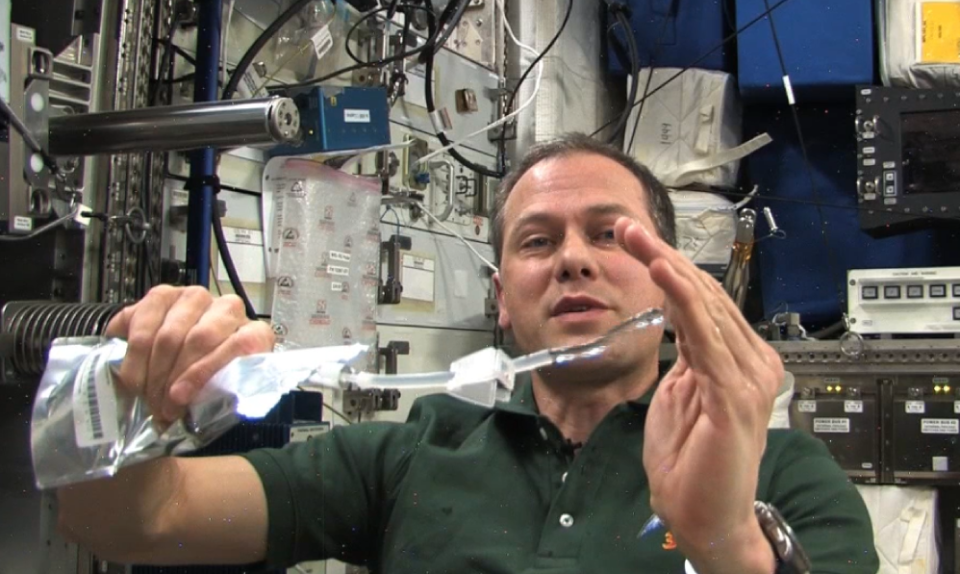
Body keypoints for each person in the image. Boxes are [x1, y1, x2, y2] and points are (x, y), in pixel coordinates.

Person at [56, 133, 879, 574]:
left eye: (608, 234)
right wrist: (126, 397)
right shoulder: (412, 451)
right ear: (500, 300)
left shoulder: (784, 476)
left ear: (672, 285)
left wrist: (725, 541)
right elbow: (131, 521)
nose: (573, 259)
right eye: (537, 240)